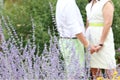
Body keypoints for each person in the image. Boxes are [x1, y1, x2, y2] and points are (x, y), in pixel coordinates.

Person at [55, 0, 95, 79]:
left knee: (72, 74)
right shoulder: (69, 3)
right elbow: (74, 28)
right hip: (73, 42)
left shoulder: (61, 1)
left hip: (66, 41)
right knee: (77, 75)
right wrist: (87, 45)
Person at [85, 0, 116, 79]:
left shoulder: (106, 3)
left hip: (104, 39)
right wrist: (86, 42)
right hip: (91, 38)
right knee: (94, 69)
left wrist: (101, 43)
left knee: (109, 67)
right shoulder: (89, 5)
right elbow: (88, 23)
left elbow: (108, 23)